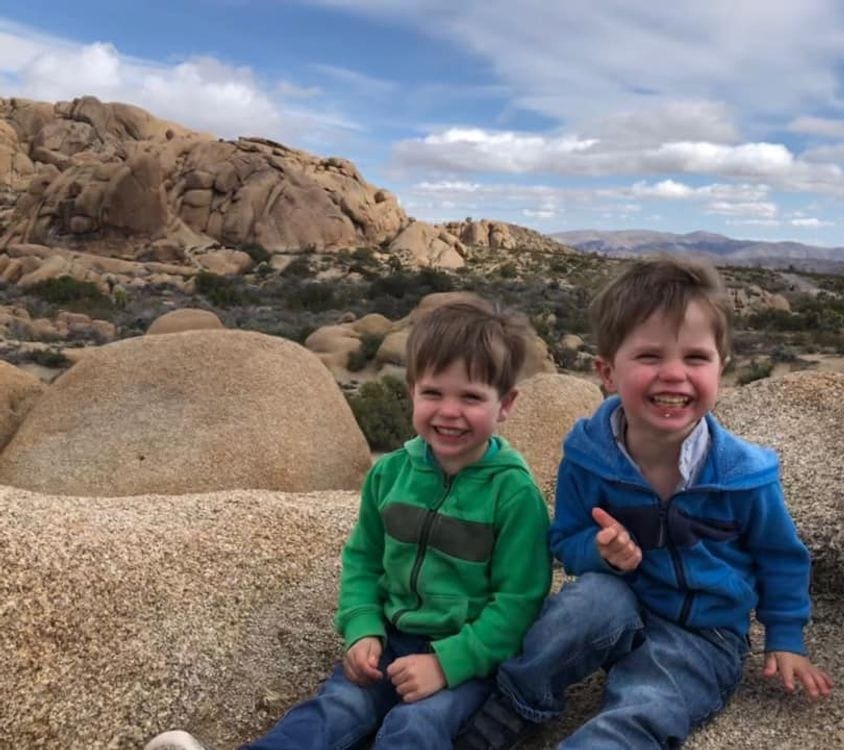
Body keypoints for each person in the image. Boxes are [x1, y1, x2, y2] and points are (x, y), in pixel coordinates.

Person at [456, 257, 833, 750]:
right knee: (579, 609)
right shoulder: (589, 456)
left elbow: (779, 556)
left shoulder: (742, 476)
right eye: (650, 356)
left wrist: (785, 636)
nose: (673, 375)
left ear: (723, 367)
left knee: (647, 706)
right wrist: (599, 552)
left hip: (704, 632)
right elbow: (565, 539)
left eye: (696, 358)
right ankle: (509, 711)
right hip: (621, 601)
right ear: (608, 372)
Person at [146, 298, 552, 750]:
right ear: (412, 391)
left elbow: (519, 603)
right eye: (433, 393)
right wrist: (362, 627)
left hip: (467, 660)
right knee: (335, 709)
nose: (449, 411)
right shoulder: (391, 474)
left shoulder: (513, 493)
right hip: (392, 639)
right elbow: (362, 560)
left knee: (413, 727)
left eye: (471, 397)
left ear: (506, 404)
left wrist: (447, 663)